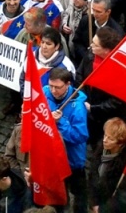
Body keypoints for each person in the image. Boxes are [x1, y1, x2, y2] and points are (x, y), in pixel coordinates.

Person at [43, 67, 88, 213]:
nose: (53, 91)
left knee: (79, 192)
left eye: (58, 87)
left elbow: (80, 136)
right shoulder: (45, 92)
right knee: (58, 194)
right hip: (52, 156)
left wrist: (60, 122)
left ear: (68, 84)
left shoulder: (77, 107)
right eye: (51, 86)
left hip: (72, 160)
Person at [87, 117, 126, 210]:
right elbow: (92, 177)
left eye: (110, 139)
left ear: (120, 143)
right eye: (105, 135)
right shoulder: (100, 151)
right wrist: (93, 203)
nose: (105, 140)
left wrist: (102, 209)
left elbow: (123, 196)